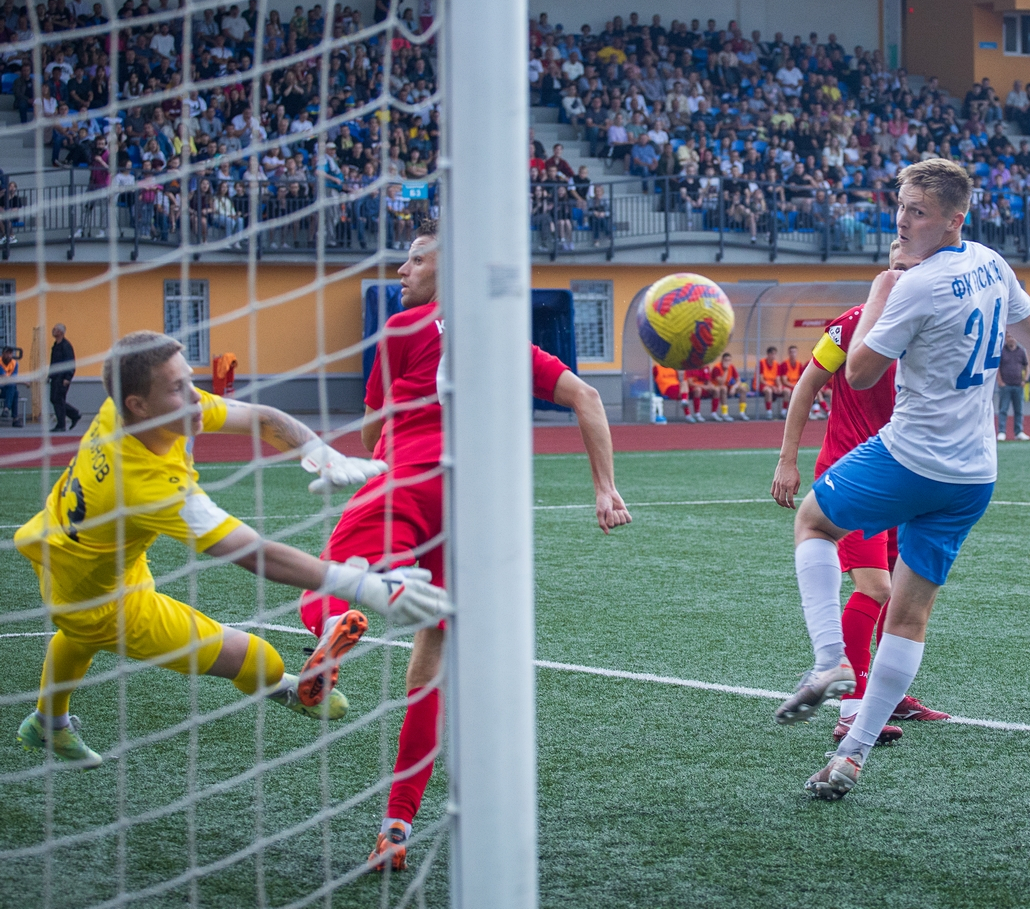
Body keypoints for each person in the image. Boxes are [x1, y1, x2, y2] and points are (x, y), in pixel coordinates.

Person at [295, 220, 630, 871]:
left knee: (326, 578)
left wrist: (393, 427)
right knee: (430, 667)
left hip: (411, 479)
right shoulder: (503, 337)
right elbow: (587, 396)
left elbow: (370, 435)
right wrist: (605, 489)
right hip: (476, 509)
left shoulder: (398, 331)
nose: (401, 272)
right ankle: (396, 823)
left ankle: (340, 622)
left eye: (414, 261)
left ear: (444, 269)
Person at [780, 158, 1030, 800]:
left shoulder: (915, 286)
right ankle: (852, 755)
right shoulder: (992, 262)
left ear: (953, 219)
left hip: (911, 458)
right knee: (908, 615)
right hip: (974, 475)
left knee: (813, 521)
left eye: (918, 211)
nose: (902, 219)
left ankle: (830, 659)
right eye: (900, 205)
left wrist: (879, 290)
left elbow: (860, 376)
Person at [13, 330, 448, 768]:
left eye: (190, 380)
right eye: (177, 389)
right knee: (254, 656)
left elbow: (260, 417)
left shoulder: (126, 407)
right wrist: (357, 583)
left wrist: (321, 453)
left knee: (75, 628)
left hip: (63, 549)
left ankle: (47, 723)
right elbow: (255, 553)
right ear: (138, 406)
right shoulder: (147, 487)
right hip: (103, 601)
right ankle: (291, 691)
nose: (194, 397)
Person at [771, 242, 949, 750]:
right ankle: (851, 709)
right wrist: (788, 459)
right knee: (876, 589)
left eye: (912, 268)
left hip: (902, 475)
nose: (902, 276)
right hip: (854, 476)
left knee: (902, 595)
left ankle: (886, 697)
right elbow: (807, 386)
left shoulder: (933, 328)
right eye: (895, 267)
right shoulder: (849, 326)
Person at [994, 334, 1028, 441]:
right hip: (1005, 386)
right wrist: (1000, 381)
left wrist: (1025, 380)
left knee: (1019, 410)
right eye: (1009, 337)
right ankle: (1002, 432)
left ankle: (1019, 432)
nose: (1011, 339)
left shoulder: (1021, 352)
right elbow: (997, 367)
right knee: (1003, 409)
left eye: (1013, 337)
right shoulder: (1001, 352)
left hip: (1018, 385)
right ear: (1006, 339)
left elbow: (1027, 365)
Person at [48, 323, 81, 432]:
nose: (53, 330)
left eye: (55, 329)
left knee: (58, 399)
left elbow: (70, 362)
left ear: (61, 332)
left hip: (62, 377)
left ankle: (61, 425)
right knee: (54, 399)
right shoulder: (56, 345)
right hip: (55, 376)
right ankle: (74, 414)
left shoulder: (66, 346)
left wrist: (68, 377)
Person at [708, 352, 750, 420]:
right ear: (722, 360)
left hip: (727, 386)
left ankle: (742, 413)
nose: (727, 362)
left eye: (729, 360)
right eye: (726, 360)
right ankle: (725, 413)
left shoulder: (732, 366)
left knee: (743, 388)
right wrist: (726, 370)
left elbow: (738, 380)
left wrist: (734, 387)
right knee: (724, 388)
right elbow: (721, 382)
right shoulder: (717, 367)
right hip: (716, 387)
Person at [758, 346, 784, 419]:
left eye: (775, 354)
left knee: (787, 391)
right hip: (763, 385)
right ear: (768, 354)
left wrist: (779, 387)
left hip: (773, 385)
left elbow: (778, 379)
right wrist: (772, 387)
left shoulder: (776, 364)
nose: (774, 356)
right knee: (768, 391)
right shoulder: (761, 363)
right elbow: (761, 379)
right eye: (772, 354)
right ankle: (769, 412)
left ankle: (784, 412)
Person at [1, 344, 21, 426]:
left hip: (7, 388)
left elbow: (14, 377)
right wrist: (24, 382)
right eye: (7, 353)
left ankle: (6, 409)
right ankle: (15, 419)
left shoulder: (15, 364)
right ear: (3, 354)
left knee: (14, 392)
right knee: (13, 389)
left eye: (10, 353)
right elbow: (4, 376)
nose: (8, 355)